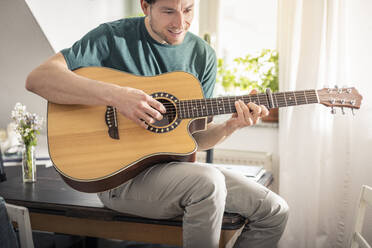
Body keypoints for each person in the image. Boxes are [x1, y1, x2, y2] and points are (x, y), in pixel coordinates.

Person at [26, 0, 289, 247]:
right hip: (117, 179)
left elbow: (193, 140)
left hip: (176, 174)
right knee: (208, 182)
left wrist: (232, 125)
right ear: (145, 6)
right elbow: (38, 79)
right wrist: (117, 96)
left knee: (274, 211)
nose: (180, 22)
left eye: (188, 9)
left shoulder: (202, 55)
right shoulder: (112, 37)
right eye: (168, 11)